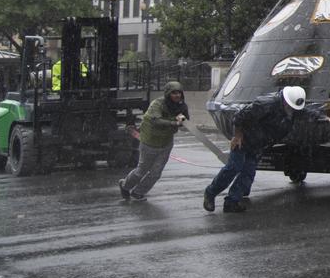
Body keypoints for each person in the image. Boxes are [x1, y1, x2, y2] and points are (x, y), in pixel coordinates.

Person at [203, 85, 309, 214]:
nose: (293, 109)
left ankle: (232, 202)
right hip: (244, 140)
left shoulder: (293, 111)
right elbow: (239, 116)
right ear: (285, 101)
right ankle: (210, 193)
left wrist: (324, 118)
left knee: (248, 173)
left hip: (258, 144)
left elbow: (307, 112)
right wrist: (237, 135)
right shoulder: (265, 104)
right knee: (233, 167)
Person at [119, 80, 189, 201]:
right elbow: (156, 120)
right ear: (168, 94)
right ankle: (125, 185)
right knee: (142, 170)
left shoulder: (181, 106)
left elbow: (183, 117)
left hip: (166, 142)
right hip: (150, 141)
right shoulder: (157, 104)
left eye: (179, 93)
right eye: (174, 93)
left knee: (156, 173)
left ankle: (138, 192)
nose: (177, 95)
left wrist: (181, 118)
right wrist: (173, 122)